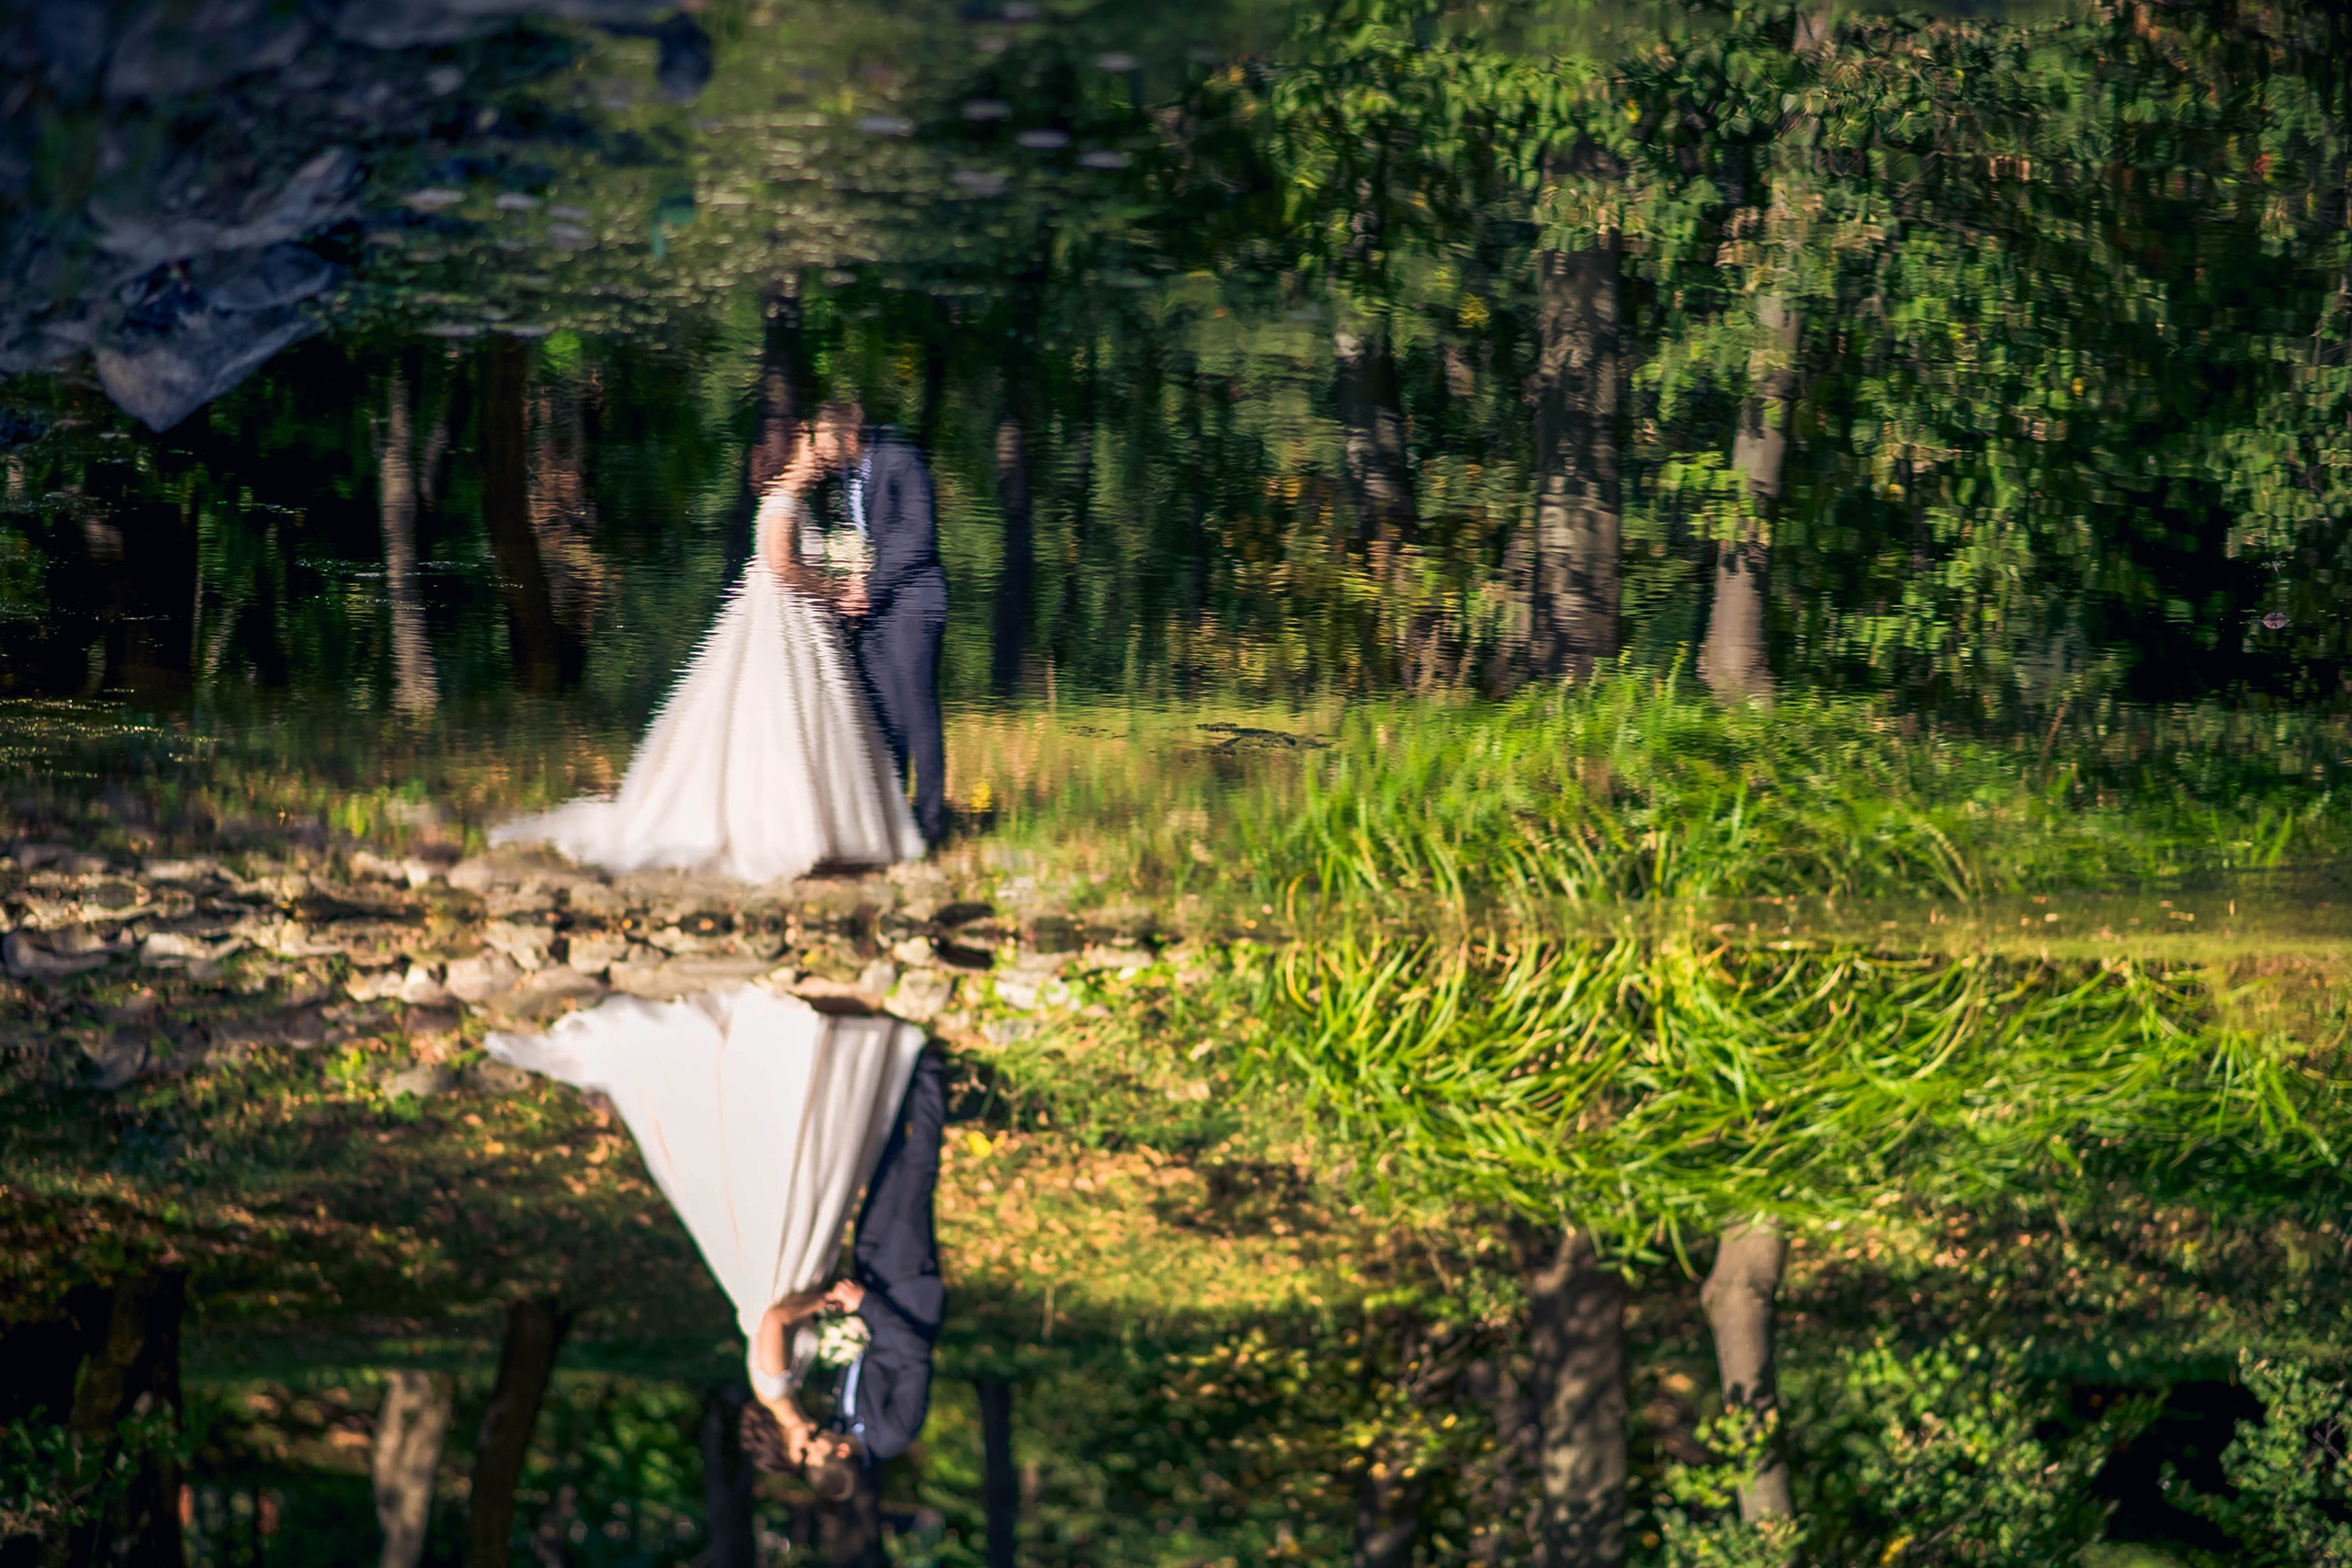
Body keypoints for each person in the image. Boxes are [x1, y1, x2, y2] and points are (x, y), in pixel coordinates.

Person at [487, 423, 923, 884]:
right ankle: (794, 833)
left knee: (814, 721)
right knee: (785, 721)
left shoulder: (796, 507)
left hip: (804, 625)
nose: (817, 460)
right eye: (808, 451)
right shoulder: (780, 505)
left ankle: (833, 833)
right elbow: (782, 569)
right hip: (782, 625)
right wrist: (835, 590)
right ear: (789, 458)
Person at [788, 400, 950, 846]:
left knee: (917, 712)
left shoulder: (902, 459)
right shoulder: (849, 476)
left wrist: (868, 584)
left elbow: (918, 534)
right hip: (874, 611)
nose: (822, 456)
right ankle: (894, 822)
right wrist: (848, 583)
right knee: (884, 718)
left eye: (825, 445)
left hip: (913, 603)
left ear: (848, 436)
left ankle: (933, 824)